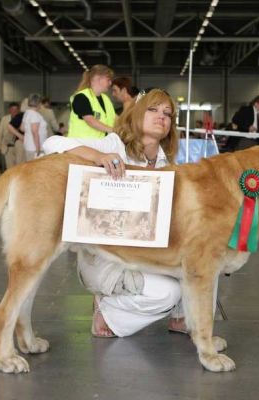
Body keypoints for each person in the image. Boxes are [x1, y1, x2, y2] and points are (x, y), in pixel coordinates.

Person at [43, 89, 196, 338]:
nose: (162, 117)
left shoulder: (167, 163)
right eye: (153, 110)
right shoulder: (114, 144)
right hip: (104, 259)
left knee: (205, 260)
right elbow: (51, 144)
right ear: (136, 114)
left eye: (168, 113)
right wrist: (99, 156)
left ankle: (181, 318)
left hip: (145, 256)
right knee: (167, 293)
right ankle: (107, 311)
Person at [68, 64, 115, 139]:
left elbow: (114, 117)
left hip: (99, 144)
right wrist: (114, 130)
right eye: (108, 80)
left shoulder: (106, 99)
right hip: (81, 145)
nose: (110, 83)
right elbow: (90, 121)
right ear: (99, 79)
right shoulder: (81, 97)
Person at [21, 93, 47, 161]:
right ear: (38, 103)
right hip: (35, 148)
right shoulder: (34, 115)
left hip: (29, 146)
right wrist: (37, 149)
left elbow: (22, 128)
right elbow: (35, 132)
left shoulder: (27, 113)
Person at [0, 102, 21, 170]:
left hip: (19, 146)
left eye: (16, 109)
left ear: (18, 110)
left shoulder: (22, 119)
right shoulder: (4, 119)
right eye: (13, 109)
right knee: (10, 167)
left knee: (19, 166)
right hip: (8, 147)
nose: (14, 110)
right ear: (9, 110)